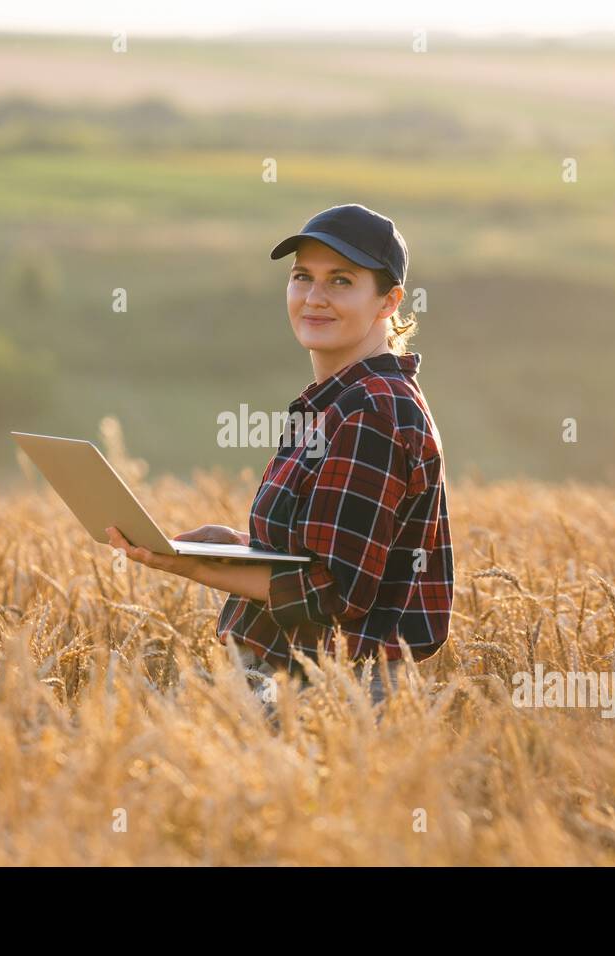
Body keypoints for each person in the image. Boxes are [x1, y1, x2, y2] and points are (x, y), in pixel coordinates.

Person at [107, 203, 455, 723]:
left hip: (329, 697)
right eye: (301, 277)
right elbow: (330, 557)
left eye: (341, 281)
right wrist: (237, 550)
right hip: (293, 684)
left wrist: (190, 565)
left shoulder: (370, 412)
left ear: (388, 301)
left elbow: (332, 595)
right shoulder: (339, 402)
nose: (314, 298)